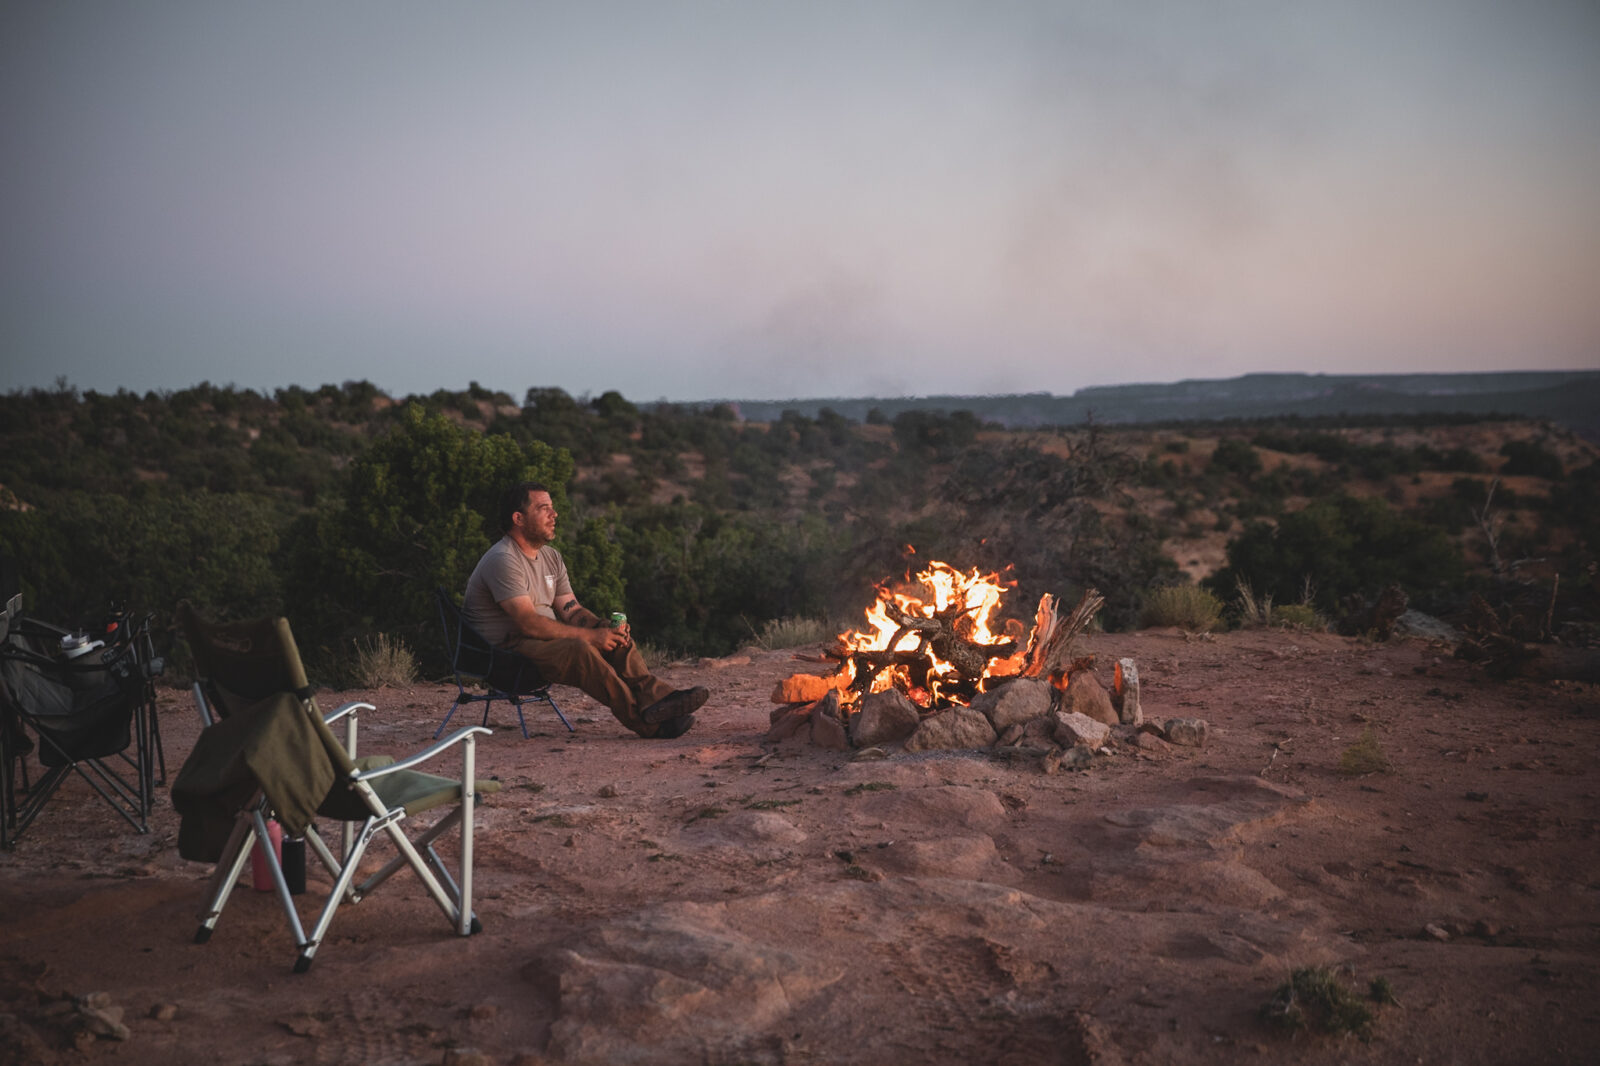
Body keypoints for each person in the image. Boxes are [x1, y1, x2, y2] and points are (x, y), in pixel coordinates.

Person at [462, 481, 707, 738]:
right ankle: (647, 723)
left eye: (552, 508)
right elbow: (528, 623)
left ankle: (658, 698)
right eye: (544, 508)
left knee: (612, 633)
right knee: (579, 648)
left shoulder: (551, 557)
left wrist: (604, 630)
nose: (554, 514)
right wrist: (592, 637)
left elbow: (572, 611)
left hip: (539, 644)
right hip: (505, 655)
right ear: (518, 519)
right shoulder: (503, 559)